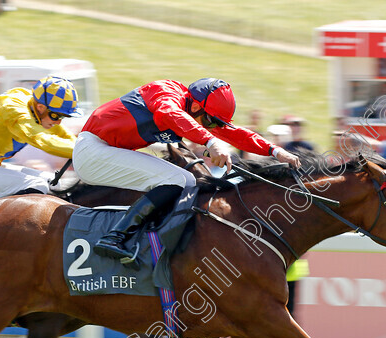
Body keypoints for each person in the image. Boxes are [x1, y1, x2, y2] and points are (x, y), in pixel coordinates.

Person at [72, 78, 300, 264]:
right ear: (196, 106)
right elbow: (168, 114)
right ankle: (115, 237)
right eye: (209, 121)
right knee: (179, 179)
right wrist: (210, 142)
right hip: (94, 151)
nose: (211, 127)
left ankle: (139, 239)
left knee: (183, 179)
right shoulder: (166, 92)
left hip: (104, 151)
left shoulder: (193, 108)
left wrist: (276, 151)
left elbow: (234, 133)